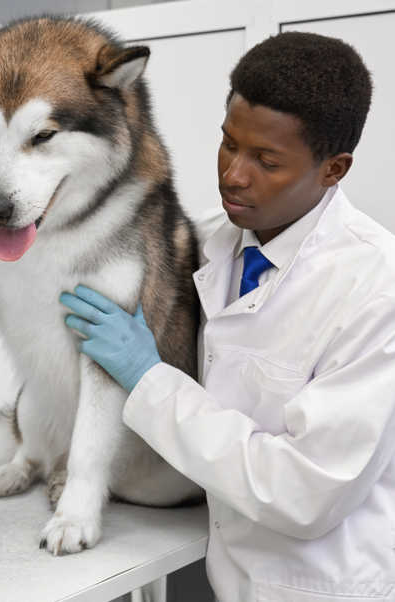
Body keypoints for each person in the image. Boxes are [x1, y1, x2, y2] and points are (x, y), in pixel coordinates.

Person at [59, 32, 395, 600]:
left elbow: (304, 493)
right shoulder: (210, 244)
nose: (234, 175)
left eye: (267, 161)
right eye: (228, 143)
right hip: (219, 563)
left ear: (334, 169)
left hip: (320, 585)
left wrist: (148, 379)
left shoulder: (374, 291)